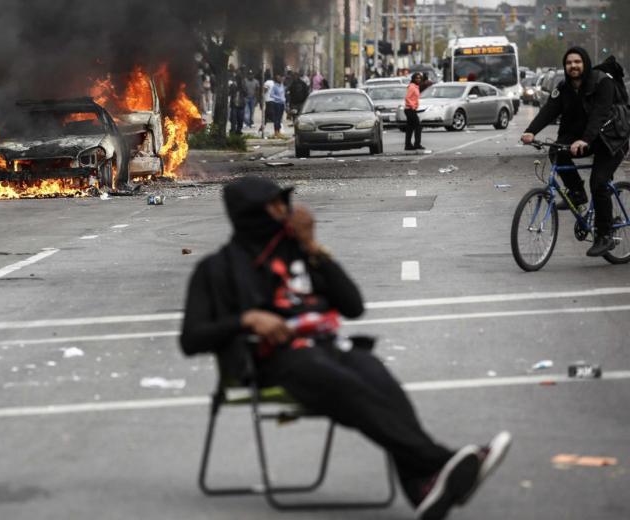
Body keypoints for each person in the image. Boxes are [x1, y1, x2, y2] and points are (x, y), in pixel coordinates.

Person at [180, 176, 512, 520]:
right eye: (276, 205)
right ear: (251, 214)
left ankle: (425, 488)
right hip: (272, 359)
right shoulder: (217, 268)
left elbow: (353, 305)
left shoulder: (300, 252)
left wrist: (313, 248)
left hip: (329, 345)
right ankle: (441, 462)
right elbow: (191, 339)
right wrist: (247, 319)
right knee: (344, 384)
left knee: (376, 375)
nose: (287, 211)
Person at [521, 46, 630, 257]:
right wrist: (530, 131)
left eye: (577, 62)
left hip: (612, 139)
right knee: (557, 151)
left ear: (585, 63)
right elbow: (549, 110)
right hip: (586, 138)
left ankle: (604, 235)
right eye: (569, 63)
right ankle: (577, 194)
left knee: (599, 182)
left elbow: (600, 113)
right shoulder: (564, 88)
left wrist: (584, 139)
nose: (573, 66)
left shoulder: (602, 82)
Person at [404, 72, 424, 151]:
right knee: (418, 127)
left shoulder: (416, 86)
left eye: (419, 78)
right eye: (416, 78)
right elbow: (407, 98)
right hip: (410, 109)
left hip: (411, 109)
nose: (418, 79)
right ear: (413, 79)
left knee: (410, 128)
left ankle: (408, 145)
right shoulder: (412, 87)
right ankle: (417, 144)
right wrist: (412, 106)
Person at [228, 68, 246, 135]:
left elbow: (246, 93)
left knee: (240, 119)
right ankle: (232, 130)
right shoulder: (233, 85)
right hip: (234, 104)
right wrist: (233, 87)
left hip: (241, 104)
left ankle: (239, 129)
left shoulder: (243, 84)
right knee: (233, 119)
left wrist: (241, 87)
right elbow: (229, 92)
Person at [270, 74, 287, 138]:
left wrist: (284, 100)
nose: (280, 79)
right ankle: (276, 131)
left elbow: (283, 94)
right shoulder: (275, 86)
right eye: (278, 78)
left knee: (280, 118)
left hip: (282, 104)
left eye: (281, 78)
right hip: (276, 104)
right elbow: (271, 95)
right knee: (276, 118)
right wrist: (278, 98)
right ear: (276, 79)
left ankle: (279, 131)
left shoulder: (282, 85)